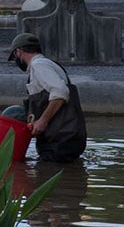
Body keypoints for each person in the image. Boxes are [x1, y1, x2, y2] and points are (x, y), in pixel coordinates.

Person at [5, 32, 87, 162]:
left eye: (15, 56)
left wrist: (43, 120)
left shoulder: (39, 65)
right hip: (67, 136)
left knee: (48, 175)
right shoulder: (46, 64)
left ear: (18, 52)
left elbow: (60, 92)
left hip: (60, 138)